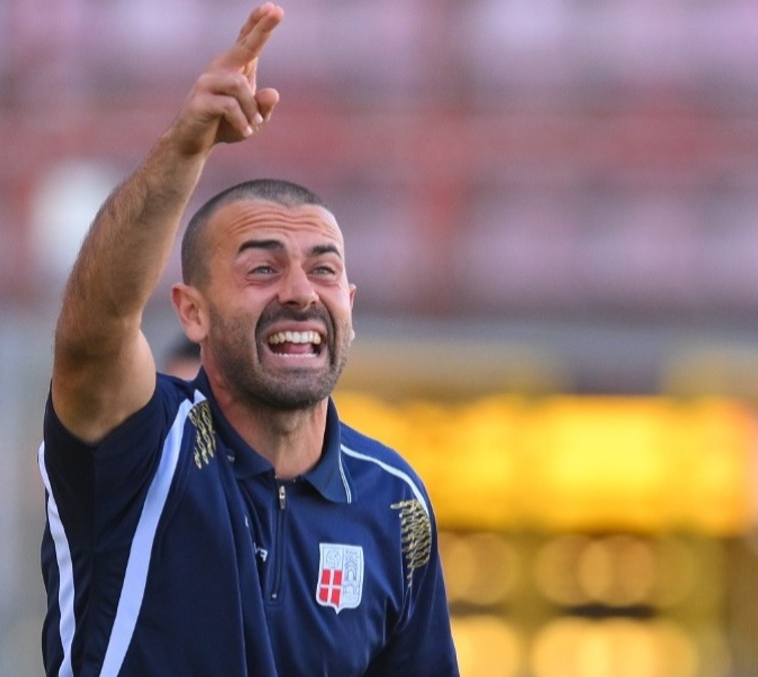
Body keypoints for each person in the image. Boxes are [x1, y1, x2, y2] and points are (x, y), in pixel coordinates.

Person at [37, 4, 459, 675]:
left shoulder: (396, 501)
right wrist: (183, 150)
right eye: (263, 268)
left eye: (324, 268)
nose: (300, 291)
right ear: (193, 312)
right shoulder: (147, 451)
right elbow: (94, 337)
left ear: (349, 302)